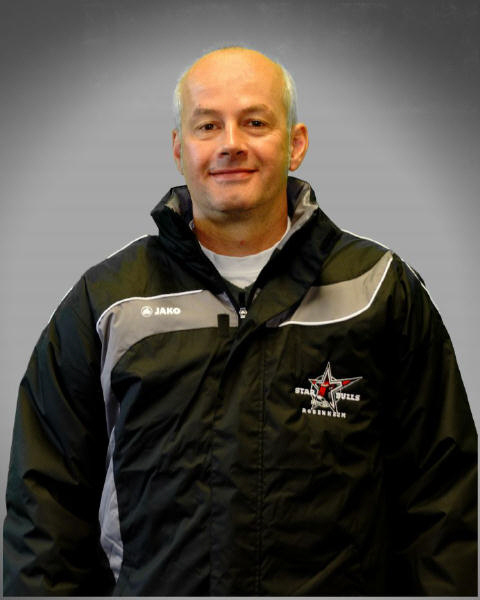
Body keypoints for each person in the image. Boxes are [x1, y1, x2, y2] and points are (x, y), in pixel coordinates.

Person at [3, 46, 477, 596]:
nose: (231, 143)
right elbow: (45, 514)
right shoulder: (108, 304)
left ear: (295, 144)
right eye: (208, 125)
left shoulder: (377, 291)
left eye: (255, 122)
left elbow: (442, 504)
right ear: (179, 149)